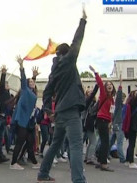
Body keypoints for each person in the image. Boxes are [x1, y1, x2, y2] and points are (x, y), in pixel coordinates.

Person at [37, 8, 87, 183]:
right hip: (71, 110)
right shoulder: (68, 61)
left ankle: (43, 174)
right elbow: (77, 42)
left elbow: (47, 92)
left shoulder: (54, 70)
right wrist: (83, 21)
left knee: (55, 144)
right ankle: (79, 180)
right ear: (66, 54)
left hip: (59, 112)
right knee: (75, 146)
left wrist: (48, 110)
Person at [9, 56, 39, 170]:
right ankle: (13, 163)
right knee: (20, 141)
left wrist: (35, 76)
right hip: (21, 120)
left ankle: (34, 162)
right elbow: (24, 79)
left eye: (33, 81)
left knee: (30, 141)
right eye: (30, 81)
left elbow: (33, 84)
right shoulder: (25, 90)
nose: (32, 82)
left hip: (28, 122)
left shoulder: (32, 93)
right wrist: (21, 66)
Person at [124, 73, 137, 169]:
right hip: (133, 126)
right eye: (136, 94)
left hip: (130, 125)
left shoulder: (131, 103)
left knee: (131, 143)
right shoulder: (134, 103)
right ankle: (131, 162)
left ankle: (128, 160)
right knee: (132, 143)